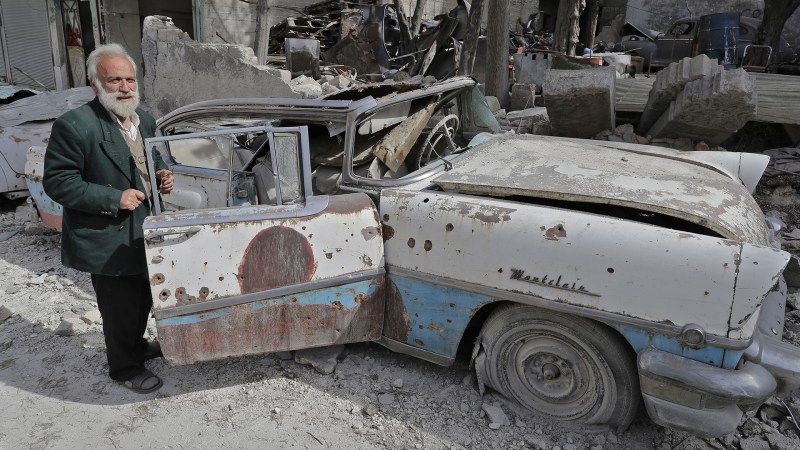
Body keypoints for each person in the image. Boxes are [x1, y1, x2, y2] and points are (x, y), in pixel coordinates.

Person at [43, 43, 174, 394]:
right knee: (119, 305)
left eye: (129, 79)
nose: (125, 87)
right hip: (106, 233)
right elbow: (58, 182)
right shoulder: (75, 125)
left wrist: (162, 175)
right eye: (114, 80)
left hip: (145, 227)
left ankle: (136, 346)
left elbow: (152, 159)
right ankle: (124, 367)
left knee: (146, 293)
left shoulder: (144, 118)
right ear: (94, 85)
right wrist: (113, 198)